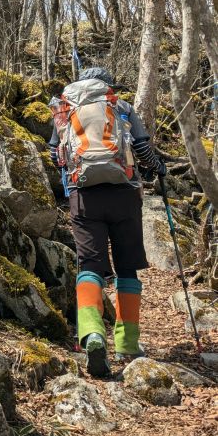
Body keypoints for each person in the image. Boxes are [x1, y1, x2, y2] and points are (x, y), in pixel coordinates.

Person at [49, 66, 166, 377]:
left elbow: (53, 153)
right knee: (127, 267)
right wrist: (158, 169)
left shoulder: (65, 107)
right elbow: (140, 147)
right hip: (125, 195)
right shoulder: (120, 105)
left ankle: (92, 335)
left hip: (84, 197)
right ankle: (128, 344)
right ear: (107, 85)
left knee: (89, 265)